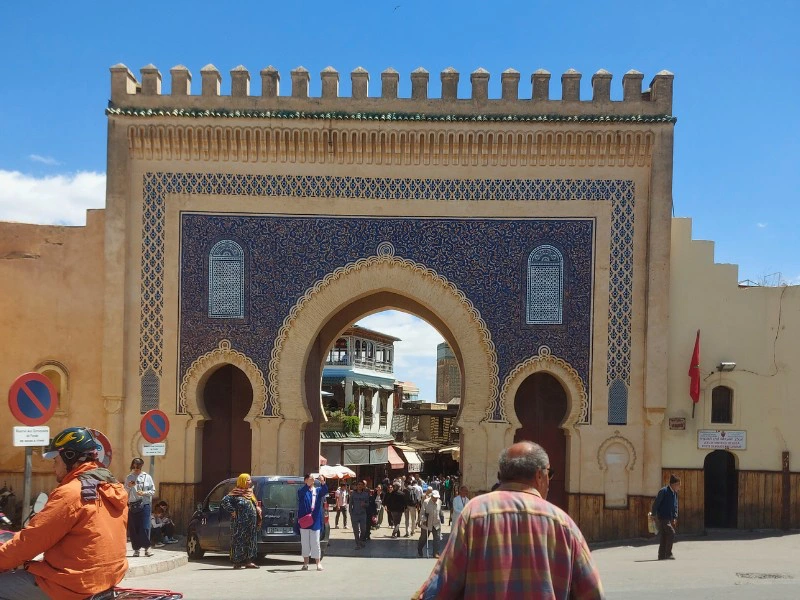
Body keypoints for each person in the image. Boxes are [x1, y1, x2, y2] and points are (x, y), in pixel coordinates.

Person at [413, 440, 604, 600]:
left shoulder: (475, 513)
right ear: (540, 475)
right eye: (549, 474)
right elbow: (592, 592)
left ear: (501, 475)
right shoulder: (563, 523)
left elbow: (442, 586)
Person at [0, 426, 128, 600]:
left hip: (70, 584)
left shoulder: (71, 493)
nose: (54, 466)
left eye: (56, 460)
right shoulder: (112, 489)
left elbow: (30, 542)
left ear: (70, 457)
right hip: (105, 580)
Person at [221, 473, 261, 569]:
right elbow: (224, 501)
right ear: (242, 481)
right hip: (240, 524)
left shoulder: (250, 493)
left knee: (251, 541)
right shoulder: (235, 494)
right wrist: (232, 511)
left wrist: (257, 509)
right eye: (248, 480)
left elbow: (255, 504)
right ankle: (237, 562)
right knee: (239, 541)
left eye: (250, 480)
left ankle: (249, 561)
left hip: (251, 524)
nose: (250, 482)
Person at [295, 473, 328, 570]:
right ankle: (305, 563)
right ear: (305, 480)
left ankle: (318, 563)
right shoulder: (301, 490)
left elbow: (325, 490)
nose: (312, 480)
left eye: (313, 479)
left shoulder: (317, 491)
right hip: (304, 520)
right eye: (310, 478)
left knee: (316, 542)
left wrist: (322, 481)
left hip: (315, 521)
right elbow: (301, 494)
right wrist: (307, 486)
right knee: (305, 543)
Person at [125, 457, 156, 558]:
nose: (136, 468)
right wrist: (129, 486)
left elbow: (153, 491)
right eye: (134, 466)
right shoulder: (129, 477)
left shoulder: (147, 477)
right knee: (134, 529)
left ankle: (147, 548)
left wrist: (144, 493)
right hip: (133, 506)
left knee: (145, 527)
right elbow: (124, 492)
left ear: (141, 466)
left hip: (144, 505)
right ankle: (136, 550)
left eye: (138, 466)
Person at [652, 474, 681, 560]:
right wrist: (653, 514)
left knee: (664, 536)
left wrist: (675, 517)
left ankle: (661, 555)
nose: (679, 487)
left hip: (669, 518)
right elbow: (656, 503)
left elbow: (675, 506)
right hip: (663, 517)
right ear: (674, 484)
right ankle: (668, 553)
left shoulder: (674, 493)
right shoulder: (663, 491)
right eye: (678, 484)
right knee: (671, 533)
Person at [417, 489, 443, 558]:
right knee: (423, 538)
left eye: (437, 498)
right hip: (427, 523)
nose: (435, 499)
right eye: (434, 497)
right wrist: (424, 520)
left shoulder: (439, 502)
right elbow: (422, 513)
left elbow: (440, 511)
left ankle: (435, 553)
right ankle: (419, 549)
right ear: (431, 496)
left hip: (436, 523)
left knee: (437, 539)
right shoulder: (426, 502)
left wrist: (442, 517)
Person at [349, 480, 370, 550]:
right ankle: (358, 544)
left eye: (361, 484)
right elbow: (350, 504)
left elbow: (368, 504)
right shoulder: (353, 494)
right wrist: (351, 514)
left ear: (363, 486)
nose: (360, 486)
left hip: (363, 514)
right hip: (355, 514)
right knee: (356, 530)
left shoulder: (365, 494)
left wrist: (365, 504)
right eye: (359, 484)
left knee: (363, 530)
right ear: (356, 486)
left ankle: (361, 540)